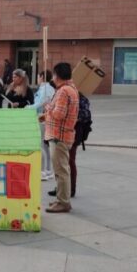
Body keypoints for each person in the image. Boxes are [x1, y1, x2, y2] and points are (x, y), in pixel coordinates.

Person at [41, 63, 79, 213]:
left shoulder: (64, 91)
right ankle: (60, 199)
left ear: (57, 76)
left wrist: (48, 107)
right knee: (61, 169)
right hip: (62, 135)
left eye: (54, 75)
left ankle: (63, 202)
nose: (53, 78)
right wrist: (45, 116)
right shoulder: (70, 89)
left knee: (61, 170)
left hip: (59, 136)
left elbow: (59, 114)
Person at [28, 71, 56, 181]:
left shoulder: (45, 89)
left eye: (38, 76)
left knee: (41, 145)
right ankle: (48, 170)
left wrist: (27, 108)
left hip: (41, 117)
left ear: (42, 77)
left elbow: (39, 103)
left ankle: (43, 171)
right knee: (45, 146)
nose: (37, 78)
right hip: (44, 117)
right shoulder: (47, 88)